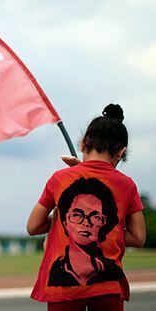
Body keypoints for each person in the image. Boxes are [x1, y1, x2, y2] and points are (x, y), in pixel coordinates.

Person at [27, 104, 146, 311]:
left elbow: (33, 227)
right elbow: (138, 237)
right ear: (121, 152)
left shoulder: (59, 179)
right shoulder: (127, 185)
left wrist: (59, 218)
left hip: (62, 289)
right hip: (108, 285)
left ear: (83, 144)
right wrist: (108, 231)